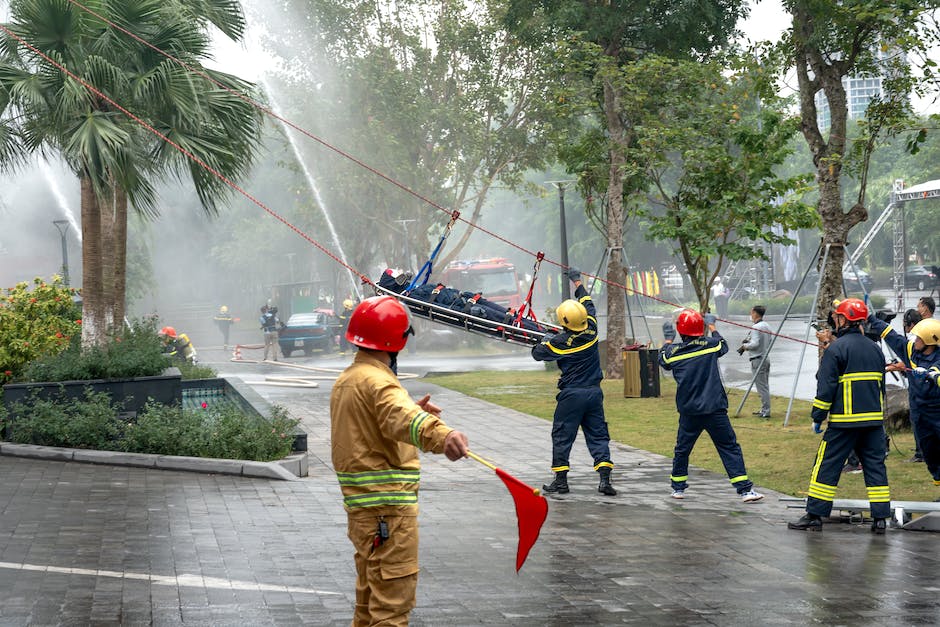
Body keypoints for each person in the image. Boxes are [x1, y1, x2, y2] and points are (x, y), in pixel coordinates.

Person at [330, 295, 469, 625]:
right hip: (389, 516)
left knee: (368, 604)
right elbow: (400, 415)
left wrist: (415, 412)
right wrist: (442, 435)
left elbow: (377, 425)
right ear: (396, 341)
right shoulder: (379, 382)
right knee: (391, 608)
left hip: (364, 516)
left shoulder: (347, 380)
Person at [788, 298, 890, 534]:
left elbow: (825, 389)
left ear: (844, 319)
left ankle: (814, 516)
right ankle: (880, 519)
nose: (835, 320)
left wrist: (817, 416)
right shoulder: (875, 349)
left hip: (844, 423)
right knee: (875, 467)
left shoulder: (836, 349)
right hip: (873, 423)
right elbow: (881, 387)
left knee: (826, 466)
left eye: (837, 317)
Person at [660, 310, 763, 503]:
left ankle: (678, 488)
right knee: (728, 447)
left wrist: (667, 339)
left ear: (680, 331)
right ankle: (745, 491)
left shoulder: (673, 353)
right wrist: (713, 326)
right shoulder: (710, 346)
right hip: (714, 409)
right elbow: (723, 345)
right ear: (701, 328)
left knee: (682, 449)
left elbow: (662, 360)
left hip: (689, 411)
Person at [531, 267, 617, 496]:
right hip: (594, 394)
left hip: (572, 396)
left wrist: (545, 340)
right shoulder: (592, 328)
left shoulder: (561, 342)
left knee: (562, 434)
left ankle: (561, 480)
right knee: (598, 434)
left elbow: (537, 353)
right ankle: (605, 480)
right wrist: (577, 281)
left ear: (565, 322)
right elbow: (587, 302)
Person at [870, 310, 940, 493]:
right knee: (929, 454)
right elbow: (889, 334)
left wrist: (932, 374)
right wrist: (869, 319)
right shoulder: (911, 350)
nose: (914, 340)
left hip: (937, 413)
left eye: (918, 339)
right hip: (919, 414)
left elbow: (937, 371)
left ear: (930, 342)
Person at [738, 305, 772, 418]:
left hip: (758, 359)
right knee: (765, 386)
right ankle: (764, 409)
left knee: (762, 387)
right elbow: (769, 340)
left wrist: (745, 346)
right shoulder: (766, 325)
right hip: (766, 358)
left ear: (755, 313)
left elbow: (755, 344)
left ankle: (766, 411)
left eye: (751, 312)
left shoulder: (756, 327)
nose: (750, 315)